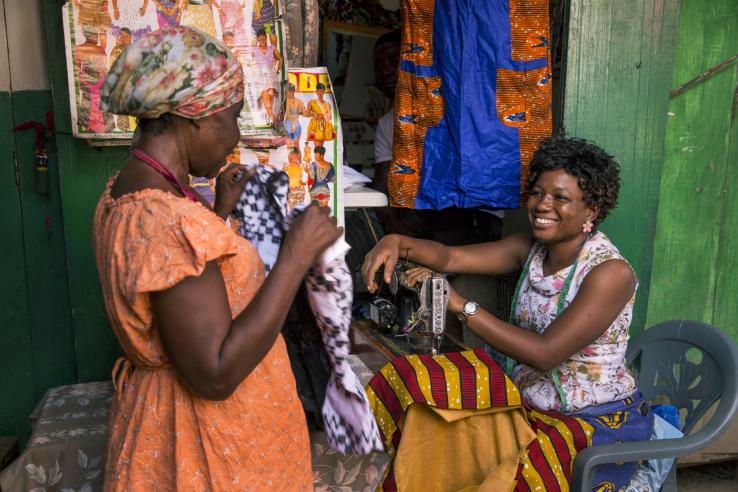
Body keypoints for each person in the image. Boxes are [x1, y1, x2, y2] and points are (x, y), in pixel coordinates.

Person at [96, 26, 341, 491]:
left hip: (175, 425)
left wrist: (217, 215)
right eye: (231, 118)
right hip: (202, 449)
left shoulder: (131, 190)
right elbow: (214, 372)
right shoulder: (168, 221)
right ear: (196, 119)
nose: (236, 135)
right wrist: (294, 256)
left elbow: (181, 282)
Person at [362, 136, 653, 490]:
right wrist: (396, 242)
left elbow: (545, 354)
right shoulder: (529, 249)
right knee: (412, 381)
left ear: (591, 210)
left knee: (505, 480)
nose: (543, 205)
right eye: (537, 193)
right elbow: (451, 257)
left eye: (560, 198)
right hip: (526, 397)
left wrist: (461, 305)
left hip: (591, 421)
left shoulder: (610, 273)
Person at [284, 83, 306, 148]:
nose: (287, 93)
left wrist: (295, 112)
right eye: (287, 91)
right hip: (288, 124)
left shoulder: (299, 102)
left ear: (292, 91)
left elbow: (305, 113)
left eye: (288, 91)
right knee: (289, 146)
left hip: (295, 124)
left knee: (296, 146)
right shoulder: (284, 101)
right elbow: (288, 112)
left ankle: (297, 157)